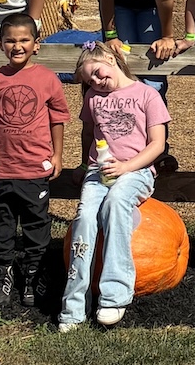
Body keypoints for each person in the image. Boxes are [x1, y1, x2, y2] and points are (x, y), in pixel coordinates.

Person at [57, 44, 170, 331]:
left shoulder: (147, 94)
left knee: (117, 202)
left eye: (97, 73)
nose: (95, 82)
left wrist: (126, 167)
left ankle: (114, 295)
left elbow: (157, 144)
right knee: (84, 220)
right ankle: (73, 306)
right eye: (89, 81)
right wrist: (84, 166)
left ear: (110, 58)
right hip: (99, 171)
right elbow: (87, 133)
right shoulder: (94, 99)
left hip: (137, 171)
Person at [0, 13, 70, 308]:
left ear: (36, 44)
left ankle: (32, 273)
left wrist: (57, 155)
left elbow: (58, 119)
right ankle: (2, 273)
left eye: (24, 40)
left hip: (34, 168)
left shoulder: (47, 79)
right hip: (1, 168)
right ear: (1, 44)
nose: (17, 46)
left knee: (36, 224)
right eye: (10, 41)